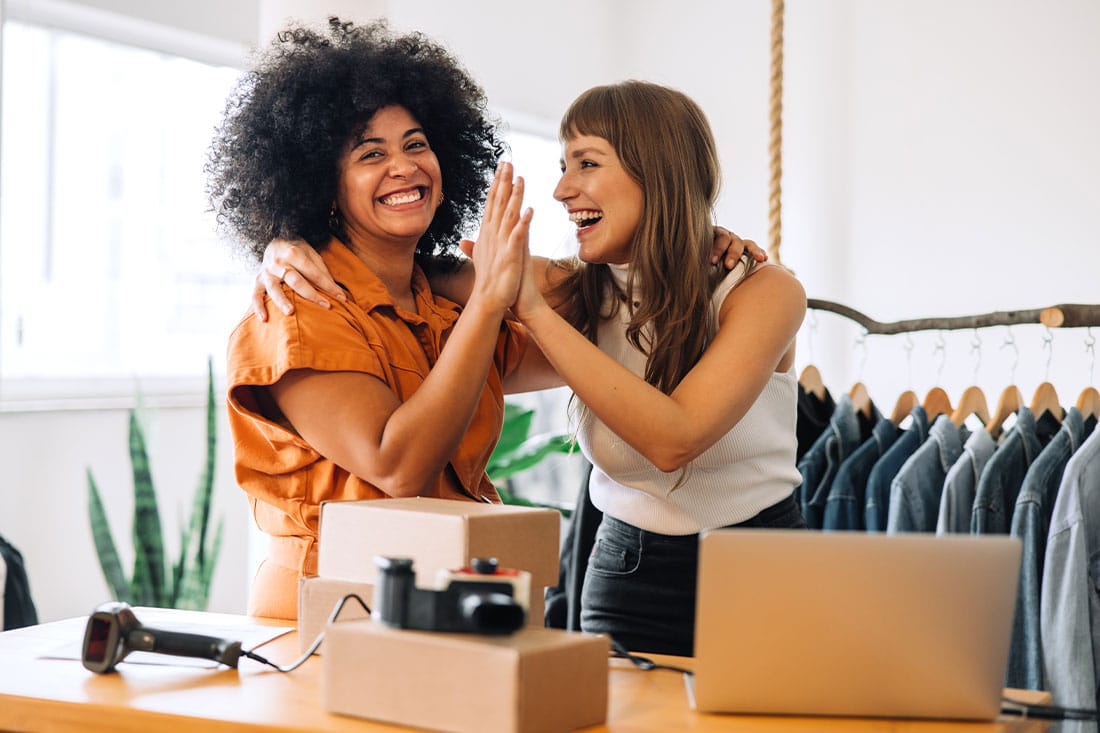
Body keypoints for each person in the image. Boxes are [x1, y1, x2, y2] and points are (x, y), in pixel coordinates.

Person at [262, 80, 806, 656]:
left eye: (586, 163)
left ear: (660, 172)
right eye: (563, 165)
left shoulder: (763, 292)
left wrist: (530, 307)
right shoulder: (572, 287)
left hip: (757, 562)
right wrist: (285, 242)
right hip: (626, 569)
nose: (562, 190)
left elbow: (675, 439)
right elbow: (388, 259)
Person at [204, 18, 556, 620]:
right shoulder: (295, 310)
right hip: (325, 614)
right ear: (320, 184)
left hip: (443, 602)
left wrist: (700, 247)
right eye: (371, 153)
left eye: (416, 144)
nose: (403, 166)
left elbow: (589, 307)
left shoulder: (440, 305)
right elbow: (396, 465)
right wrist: (490, 296)